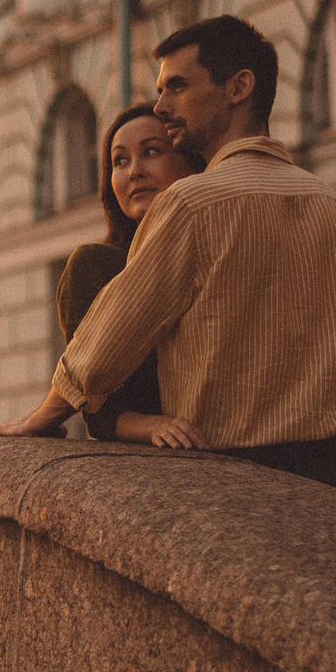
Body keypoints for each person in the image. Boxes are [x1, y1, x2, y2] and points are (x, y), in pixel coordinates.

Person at [0, 15, 336, 505]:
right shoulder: (333, 207)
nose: (162, 106)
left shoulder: (191, 203)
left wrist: (43, 416)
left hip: (250, 484)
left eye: (177, 87)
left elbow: (107, 342)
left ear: (239, 87)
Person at [50, 104, 208, 448]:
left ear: (191, 163)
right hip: (165, 457)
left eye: (151, 152)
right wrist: (149, 426)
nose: (134, 171)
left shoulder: (214, 245)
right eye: (120, 161)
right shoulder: (96, 264)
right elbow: (97, 406)